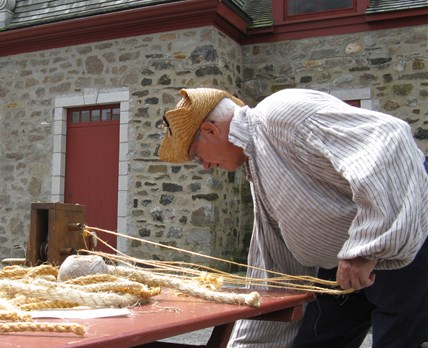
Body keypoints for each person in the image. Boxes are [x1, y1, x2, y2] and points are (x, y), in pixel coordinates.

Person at [158, 88, 427, 348]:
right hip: (343, 263)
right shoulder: (257, 161)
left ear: (210, 130)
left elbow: (389, 138)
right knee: (314, 342)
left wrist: (365, 251)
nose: (204, 165)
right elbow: (274, 259)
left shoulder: (281, 111)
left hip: (403, 244)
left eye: (196, 155)